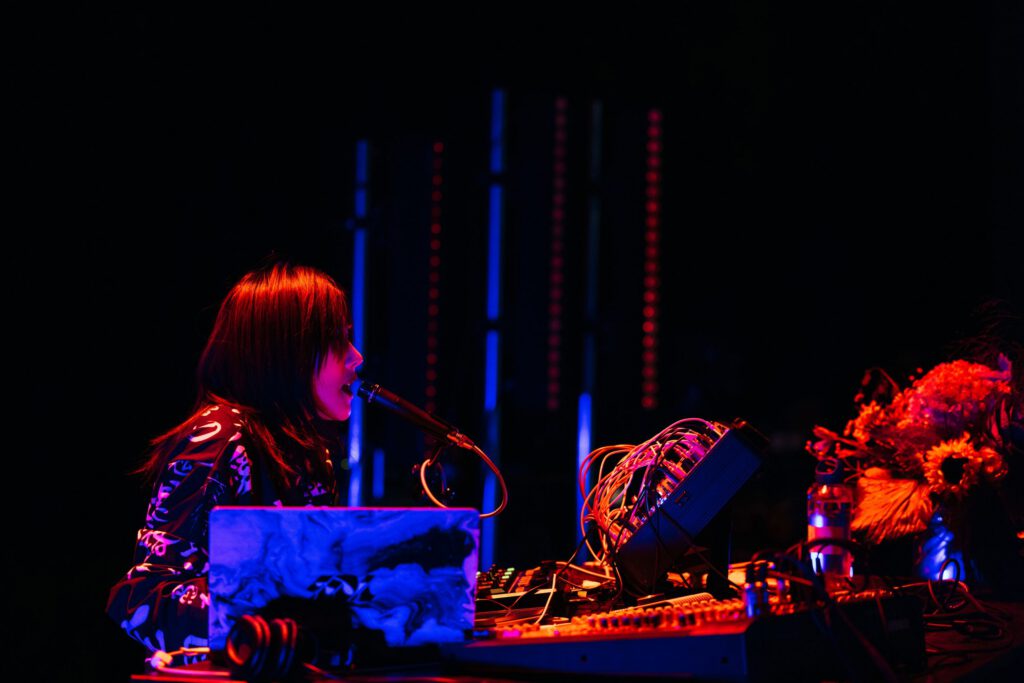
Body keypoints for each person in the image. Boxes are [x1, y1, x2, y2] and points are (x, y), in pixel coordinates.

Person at [106, 260, 363, 662]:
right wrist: (276, 622)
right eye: (337, 341)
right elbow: (145, 598)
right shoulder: (220, 439)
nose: (356, 357)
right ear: (288, 350)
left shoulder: (309, 453)